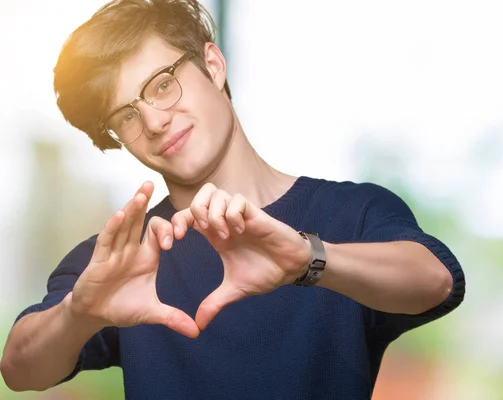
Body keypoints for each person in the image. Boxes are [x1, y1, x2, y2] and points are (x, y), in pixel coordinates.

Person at [0, 1, 465, 399]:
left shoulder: (350, 213)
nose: (156, 121)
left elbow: (437, 281)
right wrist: (78, 313)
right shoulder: (119, 260)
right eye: (127, 115)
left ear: (213, 66)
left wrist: (307, 259)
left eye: (162, 84)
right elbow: (19, 369)